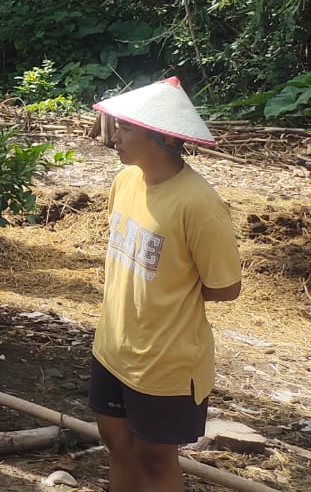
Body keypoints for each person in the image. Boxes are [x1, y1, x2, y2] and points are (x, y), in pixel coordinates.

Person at [90, 78, 242, 491]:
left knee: (157, 461)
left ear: (159, 137)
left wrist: (173, 295)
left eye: (125, 129)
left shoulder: (199, 204)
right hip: (113, 347)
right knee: (117, 445)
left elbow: (225, 286)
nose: (114, 137)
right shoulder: (125, 182)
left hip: (166, 363)